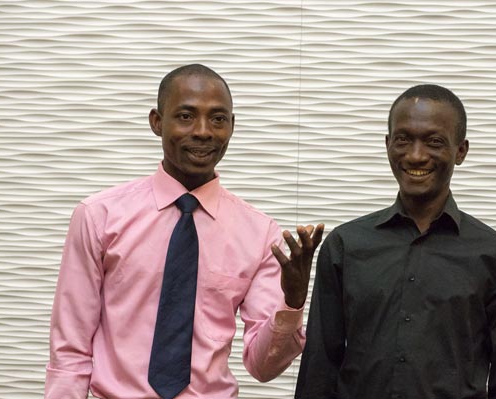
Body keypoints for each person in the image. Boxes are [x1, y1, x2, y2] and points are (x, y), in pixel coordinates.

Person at [45, 63, 324, 399]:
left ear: (232, 127)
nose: (204, 131)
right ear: (157, 122)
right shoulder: (98, 217)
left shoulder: (260, 233)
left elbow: (262, 367)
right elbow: (70, 351)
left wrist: (292, 302)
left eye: (218, 118)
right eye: (186, 116)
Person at [295, 84, 496, 398]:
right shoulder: (345, 247)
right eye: (403, 139)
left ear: (460, 151)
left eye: (434, 141)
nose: (415, 155)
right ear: (387, 145)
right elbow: (319, 371)